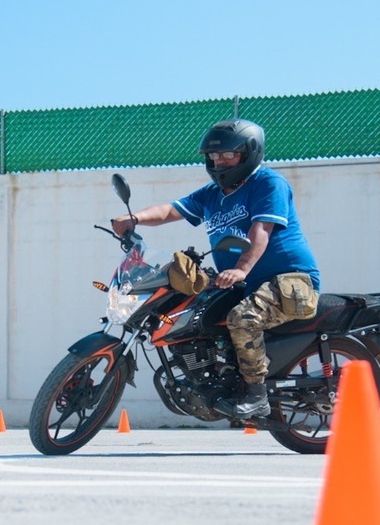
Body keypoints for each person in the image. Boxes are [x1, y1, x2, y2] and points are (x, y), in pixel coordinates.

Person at [111, 119, 320, 419]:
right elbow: (171, 210)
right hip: (244, 284)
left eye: (227, 155)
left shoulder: (268, 184)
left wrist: (242, 269)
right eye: (214, 156)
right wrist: (134, 219)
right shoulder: (212, 194)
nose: (219, 161)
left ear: (249, 153)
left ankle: (256, 395)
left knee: (242, 318)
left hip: (289, 280)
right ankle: (216, 378)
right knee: (194, 311)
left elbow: (261, 230)